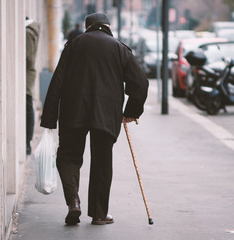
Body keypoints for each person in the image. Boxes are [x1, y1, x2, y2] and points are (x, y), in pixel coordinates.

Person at [40, 12, 148, 225]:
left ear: (88, 27)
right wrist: (131, 111)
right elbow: (141, 83)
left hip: (73, 110)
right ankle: (99, 214)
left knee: (68, 156)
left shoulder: (73, 45)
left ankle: (74, 202)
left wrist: (50, 118)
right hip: (106, 113)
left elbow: (57, 82)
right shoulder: (119, 48)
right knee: (102, 161)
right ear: (107, 26)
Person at [26, 17, 40, 155]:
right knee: (28, 107)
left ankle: (27, 143)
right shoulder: (31, 31)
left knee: (28, 106)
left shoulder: (28, 33)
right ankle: (27, 142)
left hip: (27, 76)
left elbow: (28, 58)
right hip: (28, 75)